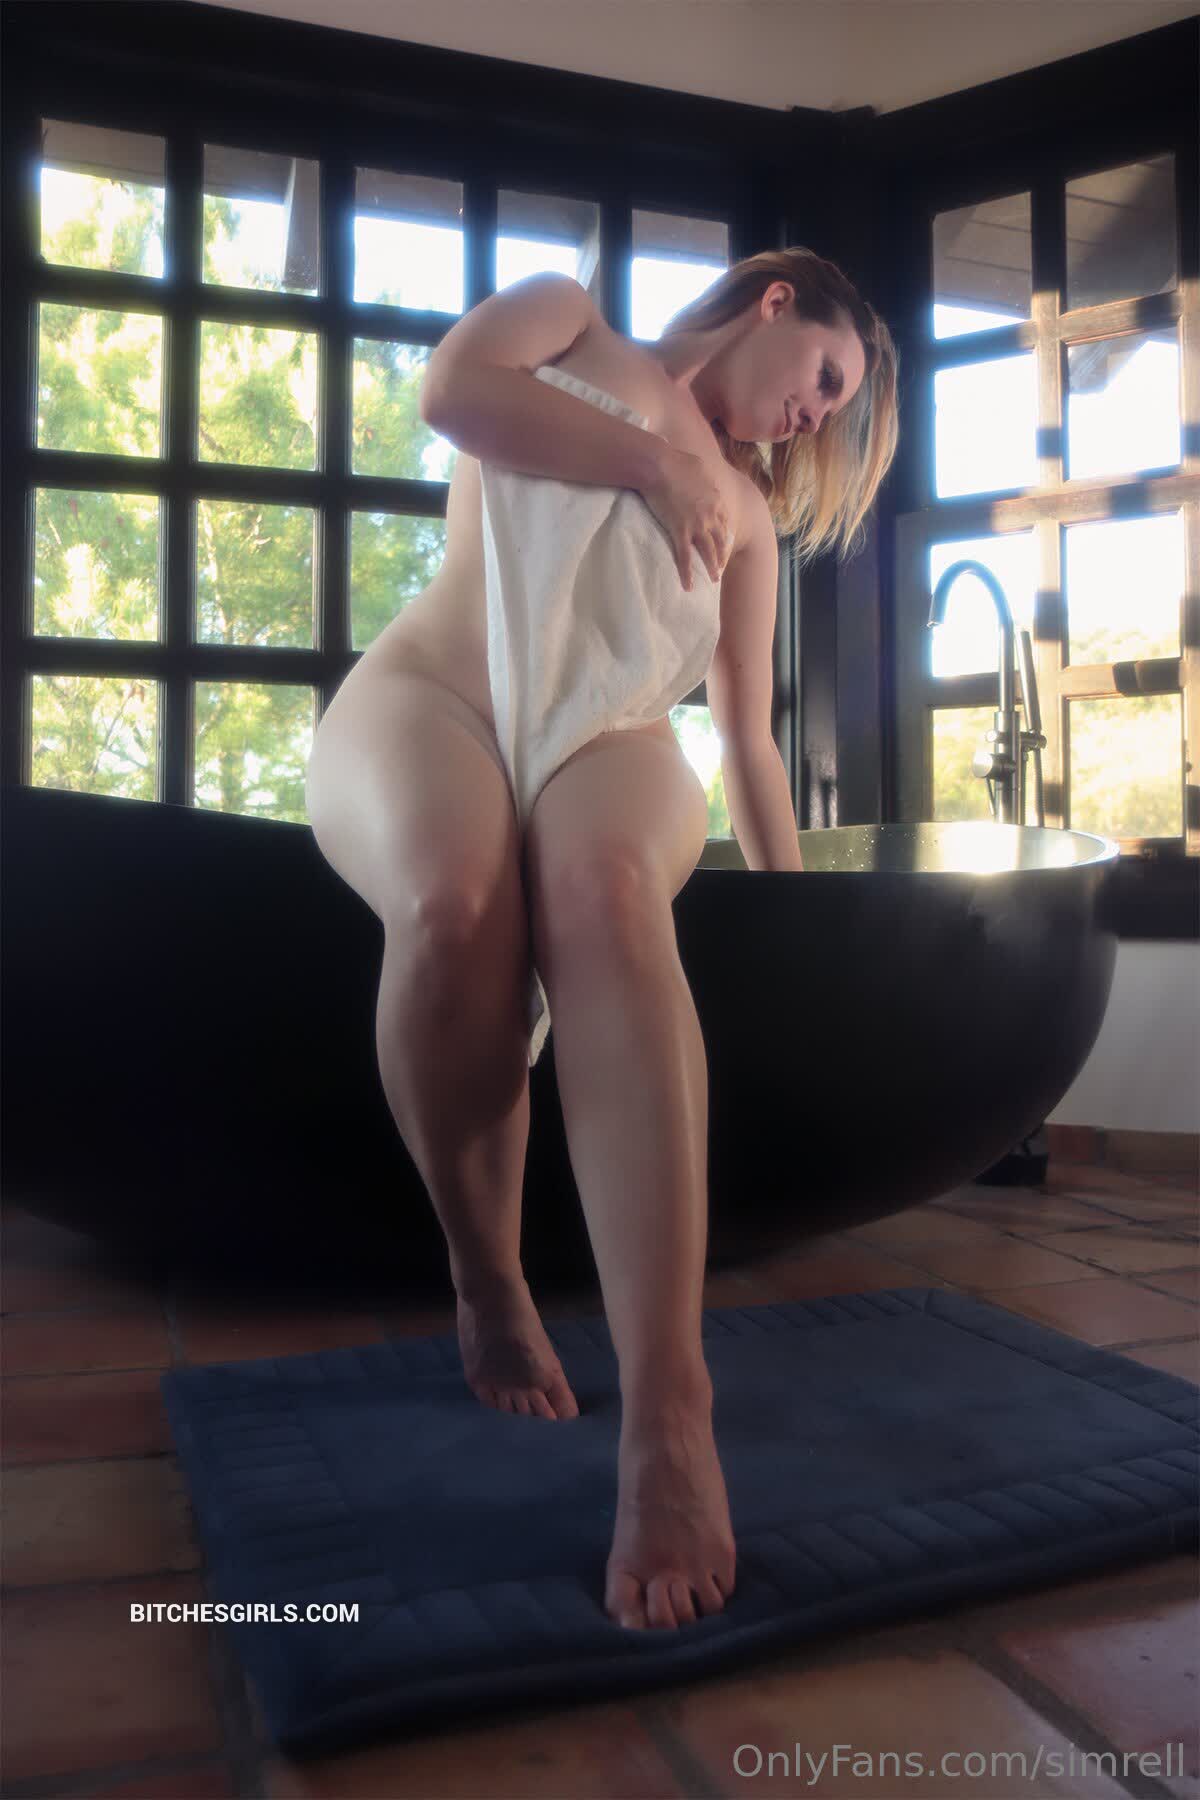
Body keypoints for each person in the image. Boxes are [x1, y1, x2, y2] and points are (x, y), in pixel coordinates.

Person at [305, 247, 899, 1633]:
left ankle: (670, 1408)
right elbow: (453, 392)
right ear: (777, 301)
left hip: (611, 741)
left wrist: (799, 914)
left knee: (606, 883)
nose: (815, 416)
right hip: (437, 692)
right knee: (452, 901)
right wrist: (656, 465)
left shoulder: (748, 522)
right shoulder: (568, 322)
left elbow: (746, 737)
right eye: (826, 377)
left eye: (833, 410)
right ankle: (486, 1273)